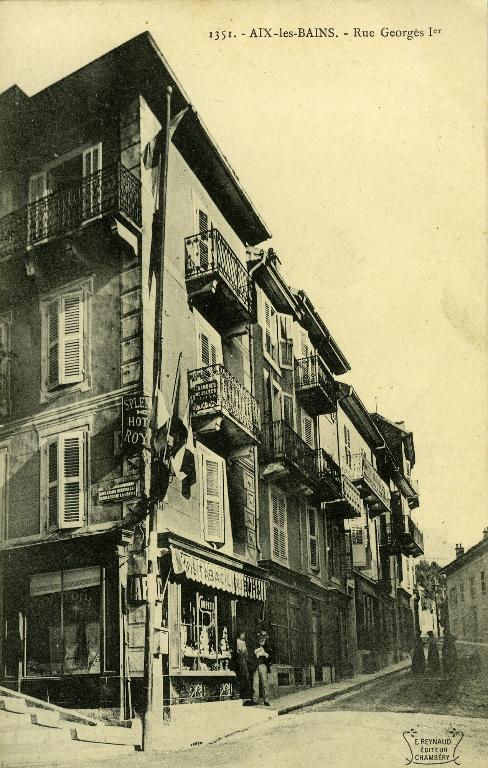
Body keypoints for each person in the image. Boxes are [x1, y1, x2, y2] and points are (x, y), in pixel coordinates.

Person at [250, 630, 274, 706]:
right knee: (255, 683)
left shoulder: (267, 647)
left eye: (264, 638)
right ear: (259, 638)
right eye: (261, 638)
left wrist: (266, 655)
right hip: (255, 665)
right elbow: (251, 654)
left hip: (263, 665)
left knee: (264, 683)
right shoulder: (255, 645)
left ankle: (266, 700)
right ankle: (255, 699)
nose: (262, 639)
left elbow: (270, 657)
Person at [235, 630, 251, 700]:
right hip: (242, 660)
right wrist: (247, 659)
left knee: (239, 677)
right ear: (240, 634)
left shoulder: (235, 641)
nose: (244, 636)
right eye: (243, 635)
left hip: (237, 660)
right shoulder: (242, 642)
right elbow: (244, 652)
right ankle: (245, 694)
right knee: (245, 676)